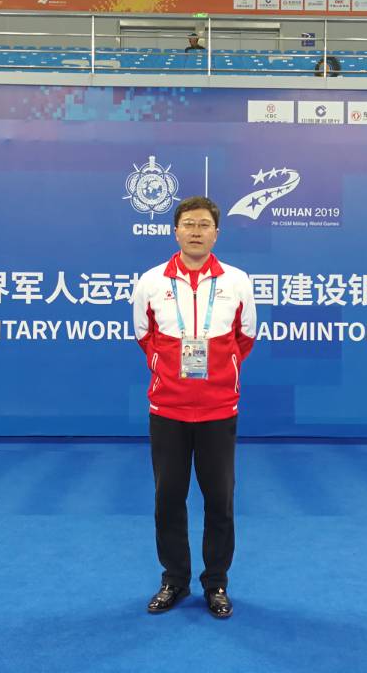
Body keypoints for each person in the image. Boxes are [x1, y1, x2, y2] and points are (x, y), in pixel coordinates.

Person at [132, 196, 257, 619]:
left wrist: (222, 369)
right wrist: (167, 368)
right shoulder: (151, 281)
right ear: (176, 231)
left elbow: (245, 336)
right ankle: (174, 579)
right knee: (168, 498)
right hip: (167, 408)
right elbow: (143, 334)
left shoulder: (237, 280)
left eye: (204, 224)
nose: (196, 231)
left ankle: (216, 582)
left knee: (219, 500)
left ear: (216, 233)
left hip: (218, 408)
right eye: (188, 224)